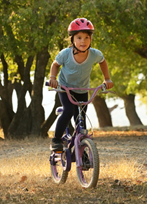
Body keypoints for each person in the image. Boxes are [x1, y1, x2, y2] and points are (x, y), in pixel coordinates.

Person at [48, 17, 114, 151]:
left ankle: (82, 150)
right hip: (65, 88)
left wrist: (107, 79)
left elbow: (103, 61)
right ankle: (56, 140)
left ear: (91, 39)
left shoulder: (95, 54)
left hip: (82, 89)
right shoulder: (65, 54)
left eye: (86, 37)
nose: (83, 41)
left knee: (81, 121)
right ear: (72, 39)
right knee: (67, 111)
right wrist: (52, 78)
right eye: (79, 37)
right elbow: (55, 65)